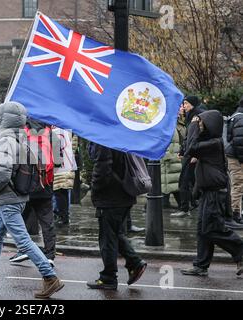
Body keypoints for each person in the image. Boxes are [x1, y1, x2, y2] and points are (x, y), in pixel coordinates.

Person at [0, 101, 64, 299]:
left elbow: (3, 173)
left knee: (24, 240)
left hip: (8, 199)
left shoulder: (6, 140)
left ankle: (50, 277)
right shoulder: (23, 139)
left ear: (5, 120)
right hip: (16, 197)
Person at [180, 110, 243, 277]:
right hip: (209, 193)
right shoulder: (209, 142)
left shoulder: (214, 143)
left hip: (215, 194)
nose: (199, 126)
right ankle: (201, 265)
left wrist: (193, 124)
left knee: (211, 229)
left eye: (202, 124)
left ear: (210, 125)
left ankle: (240, 250)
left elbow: (190, 148)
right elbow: (191, 148)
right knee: (202, 230)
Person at [87, 142, 147, 290]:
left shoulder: (103, 137)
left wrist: (95, 187)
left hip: (111, 196)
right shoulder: (118, 134)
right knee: (115, 233)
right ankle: (134, 263)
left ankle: (108, 278)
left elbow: (103, 167)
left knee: (107, 238)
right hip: (124, 193)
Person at [9, 118, 57, 267]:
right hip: (45, 182)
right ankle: (49, 254)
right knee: (47, 220)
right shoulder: (50, 133)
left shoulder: (22, 132)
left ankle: (23, 249)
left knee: (23, 218)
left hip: (26, 182)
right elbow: (57, 160)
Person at [171, 96, 205, 218]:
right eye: (183, 103)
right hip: (189, 154)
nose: (184, 106)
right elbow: (188, 137)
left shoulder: (198, 116)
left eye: (186, 103)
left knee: (184, 182)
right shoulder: (191, 117)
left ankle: (185, 209)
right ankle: (193, 205)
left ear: (193, 104)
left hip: (192, 155)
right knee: (189, 182)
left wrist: (196, 154)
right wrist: (182, 150)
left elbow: (199, 137)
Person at [161, 108, 186, 209]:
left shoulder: (175, 122)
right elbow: (164, 141)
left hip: (175, 158)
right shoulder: (167, 124)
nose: (182, 108)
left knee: (173, 183)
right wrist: (167, 156)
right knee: (168, 184)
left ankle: (182, 206)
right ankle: (181, 206)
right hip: (170, 160)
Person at [224, 97, 243, 229]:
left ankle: (235, 212)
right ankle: (234, 214)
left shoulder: (236, 116)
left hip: (235, 155)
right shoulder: (241, 118)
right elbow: (239, 141)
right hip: (237, 158)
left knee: (237, 184)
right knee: (238, 184)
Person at [52, 128, 77, 226]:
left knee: (60, 191)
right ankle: (63, 216)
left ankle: (63, 216)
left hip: (61, 165)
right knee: (62, 191)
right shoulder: (66, 129)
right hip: (66, 163)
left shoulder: (59, 130)